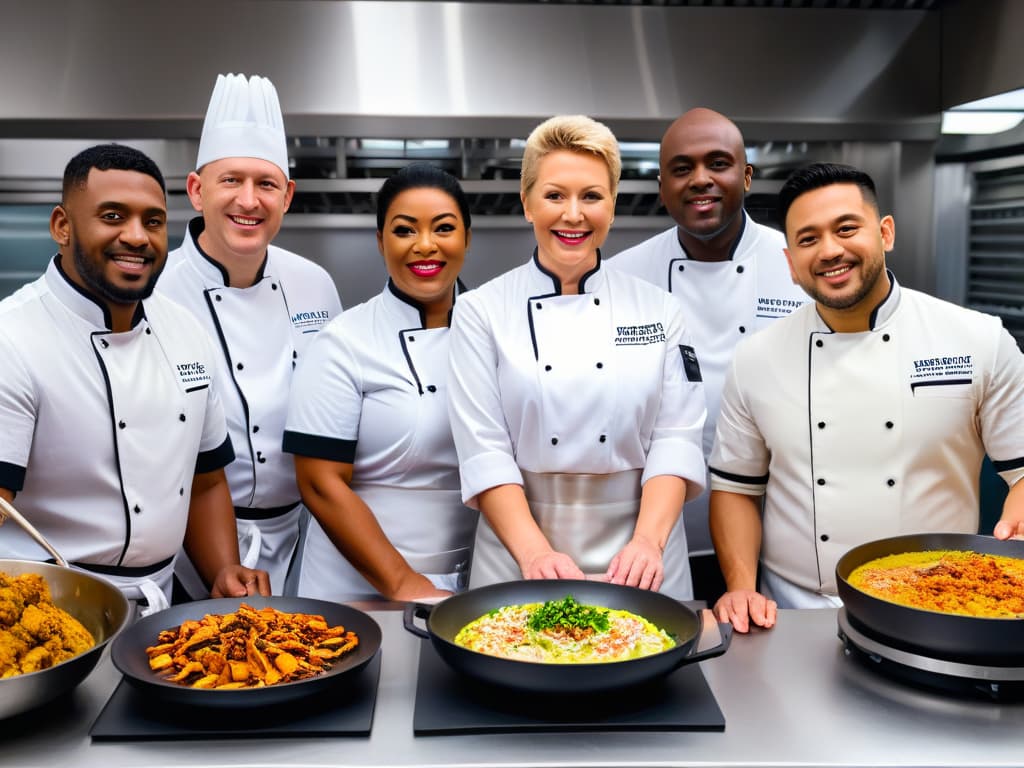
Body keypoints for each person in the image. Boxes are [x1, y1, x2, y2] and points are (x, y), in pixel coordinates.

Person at [708, 162, 1024, 632]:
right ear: (791, 263)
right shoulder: (755, 359)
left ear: (886, 233)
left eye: (846, 228)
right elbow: (735, 488)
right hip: (794, 611)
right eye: (808, 239)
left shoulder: (978, 340)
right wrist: (740, 587)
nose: (830, 250)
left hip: (939, 606)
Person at [0, 143, 270, 617]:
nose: (137, 237)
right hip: (43, 608)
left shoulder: (185, 331)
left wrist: (222, 570)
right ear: (62, 226)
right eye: (112, 216)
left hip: (161, 608)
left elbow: (205, 481)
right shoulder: (13, 338)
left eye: (152, 221)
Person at [448, 115, 707, 600]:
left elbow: (676, 438)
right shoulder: (481, 311)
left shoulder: (660, 309)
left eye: (591, 196)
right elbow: (484, 450)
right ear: (526, 203)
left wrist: (648, 543)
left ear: (612, 205)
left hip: (642, 554)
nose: (573, 214)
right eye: (554, 196)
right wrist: (534, 553)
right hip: (518, 548)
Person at [609, 108, 808, 602]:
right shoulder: (620, 279)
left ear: (745, 175)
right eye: (682, 168)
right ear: (661, 185)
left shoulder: (802, 268)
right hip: (651, 538)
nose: (701, 180)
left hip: (778, 533)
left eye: (718, 164)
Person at [158, 73, 342, 597]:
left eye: (266, 184)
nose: (249, 200)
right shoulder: (155, 294)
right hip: (184, 539)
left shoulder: (315, 285)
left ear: (288, 195)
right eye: (231, 180)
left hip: (305, 532)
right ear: (196, 190)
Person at [282, 163, 478, 602]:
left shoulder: (498, 331)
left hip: (475, 575)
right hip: (355, 584)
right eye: (405, 230)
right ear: (380, 241)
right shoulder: (344, 341)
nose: (425, 246)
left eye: (443, 228)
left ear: (466, 236)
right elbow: (319, 482)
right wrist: (405, 583)